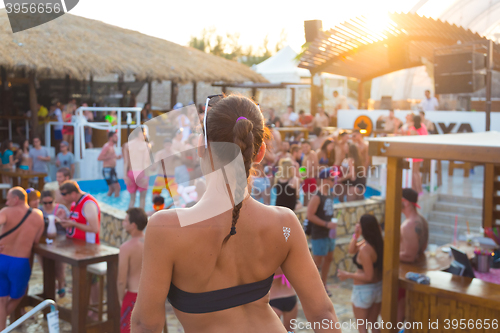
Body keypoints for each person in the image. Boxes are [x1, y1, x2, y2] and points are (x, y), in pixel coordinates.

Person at [131, 95, 340, 332]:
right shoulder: (285, 224)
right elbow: (323, 313)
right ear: (259, 153)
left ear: (201, 145)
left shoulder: (167, 229)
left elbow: (145, 324)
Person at [0, 187, 44, 331]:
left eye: (8, 198)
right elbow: (36, 240)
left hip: (2, 259)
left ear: (16, 199)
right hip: (20, 262)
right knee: (19, 294)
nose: (6, 202)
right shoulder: (38, 215)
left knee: (0, 300)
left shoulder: (6, 211)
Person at [338, 215, 383, 333]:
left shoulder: (365, 250)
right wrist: (356, 235)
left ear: (365, 228)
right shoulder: (376, 243)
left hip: (364, 291)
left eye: (359, 224)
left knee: (362, 326)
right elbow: (351, 250)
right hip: (377, 289)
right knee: (373, 323)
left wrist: (348, 275)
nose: (357, 225)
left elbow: (369, 276)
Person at [398, 188, 429, 323]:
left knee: (397, 317)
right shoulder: (421, 219)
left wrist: (388, 254)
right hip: (416, 271)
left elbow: (409, 256)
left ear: (405, 202)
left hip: (407, 274)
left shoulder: (408, 225)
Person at [306, 168, 337, 295]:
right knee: (316, 262)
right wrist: (326, 224)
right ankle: (309, 288)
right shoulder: (317, 196)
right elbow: (310, 215)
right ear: (324, 180)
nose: (334, 182)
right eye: (331, 179)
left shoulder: (329, 193)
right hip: (319, 234)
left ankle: (323, 285)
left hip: (329, 233)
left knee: (329, 258)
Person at [118, 208, 148, 333]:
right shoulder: (152, 242)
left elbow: (121, 279)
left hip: (133, 296)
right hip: (150, 295)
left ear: (133, 225)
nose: (123, 223)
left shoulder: (126, 247)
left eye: (125, 221)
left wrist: (121, 298)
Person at [39, 190, 69, 297]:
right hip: (44, 241)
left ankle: (61, 285)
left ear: (54, 200)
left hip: (59, 240)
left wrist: (61, 220)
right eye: (45, 203)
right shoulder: (39, 210)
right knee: (46, 268)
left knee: (59, 268)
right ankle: (50, 290)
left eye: (49, 202)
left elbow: (69, 225)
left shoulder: (61, 209)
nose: (47, 205)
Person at [123, 127, 150, 209]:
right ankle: (141, 220)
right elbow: (146, 162)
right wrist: (147, 176)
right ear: (139, 133)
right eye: (144, 133)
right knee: (142, 199)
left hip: (131, 173)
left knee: (132, 199)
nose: (145, 136)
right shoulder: (145, 145)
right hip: (141, 173)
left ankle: (128, 219)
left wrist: (125, 176)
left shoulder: (127, 145)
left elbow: (126, 162)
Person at [269, 266, 298, 332]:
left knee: (272, 330)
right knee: (290, 330)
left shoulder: (270, 261)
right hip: (290, 297)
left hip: (273, 299)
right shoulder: (288, 259)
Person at [97, 131, 122, 197]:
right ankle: (116, 205)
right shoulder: (107, 146)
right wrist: (111, 156)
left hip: (111, 169)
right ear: (111, 138)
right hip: (108, 169)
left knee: (111, 189)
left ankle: (109, 202)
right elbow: (99, 158)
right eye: (115, 136)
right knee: (117, 188)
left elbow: (113, 157)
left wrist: (118, 157)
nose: (117, 138)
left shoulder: (112, 147)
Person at [409, 116, 428, 194]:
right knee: (417, 172)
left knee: (414, 172)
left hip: (414, 152)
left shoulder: (413, 129)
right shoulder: (423, 127)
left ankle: (417, 190)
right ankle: (418, 189)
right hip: (421, 152)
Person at [301, 140, 318, 206]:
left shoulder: (312, 153)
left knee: (310, 199)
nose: (305, 148)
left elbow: (315, 166)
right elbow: (303, 167)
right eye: (303, 147)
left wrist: (306, 174)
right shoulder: (304, 156)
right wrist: (302, 175)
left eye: (306, 146)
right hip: (305, 179)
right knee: (305, 199)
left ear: (310, 146)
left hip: (311, 179)